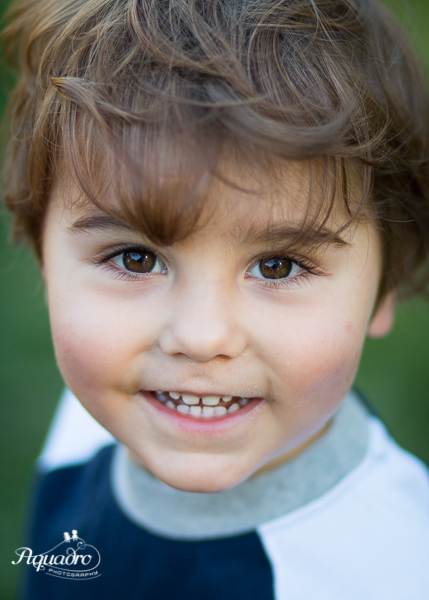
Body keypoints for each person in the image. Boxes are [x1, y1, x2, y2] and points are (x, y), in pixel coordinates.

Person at [2, 0, 429, 598]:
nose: (201, 337)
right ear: (47, 260)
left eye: (278, 267)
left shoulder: (392, 573)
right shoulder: (92, 419)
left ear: (384, 286)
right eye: (136, 259)